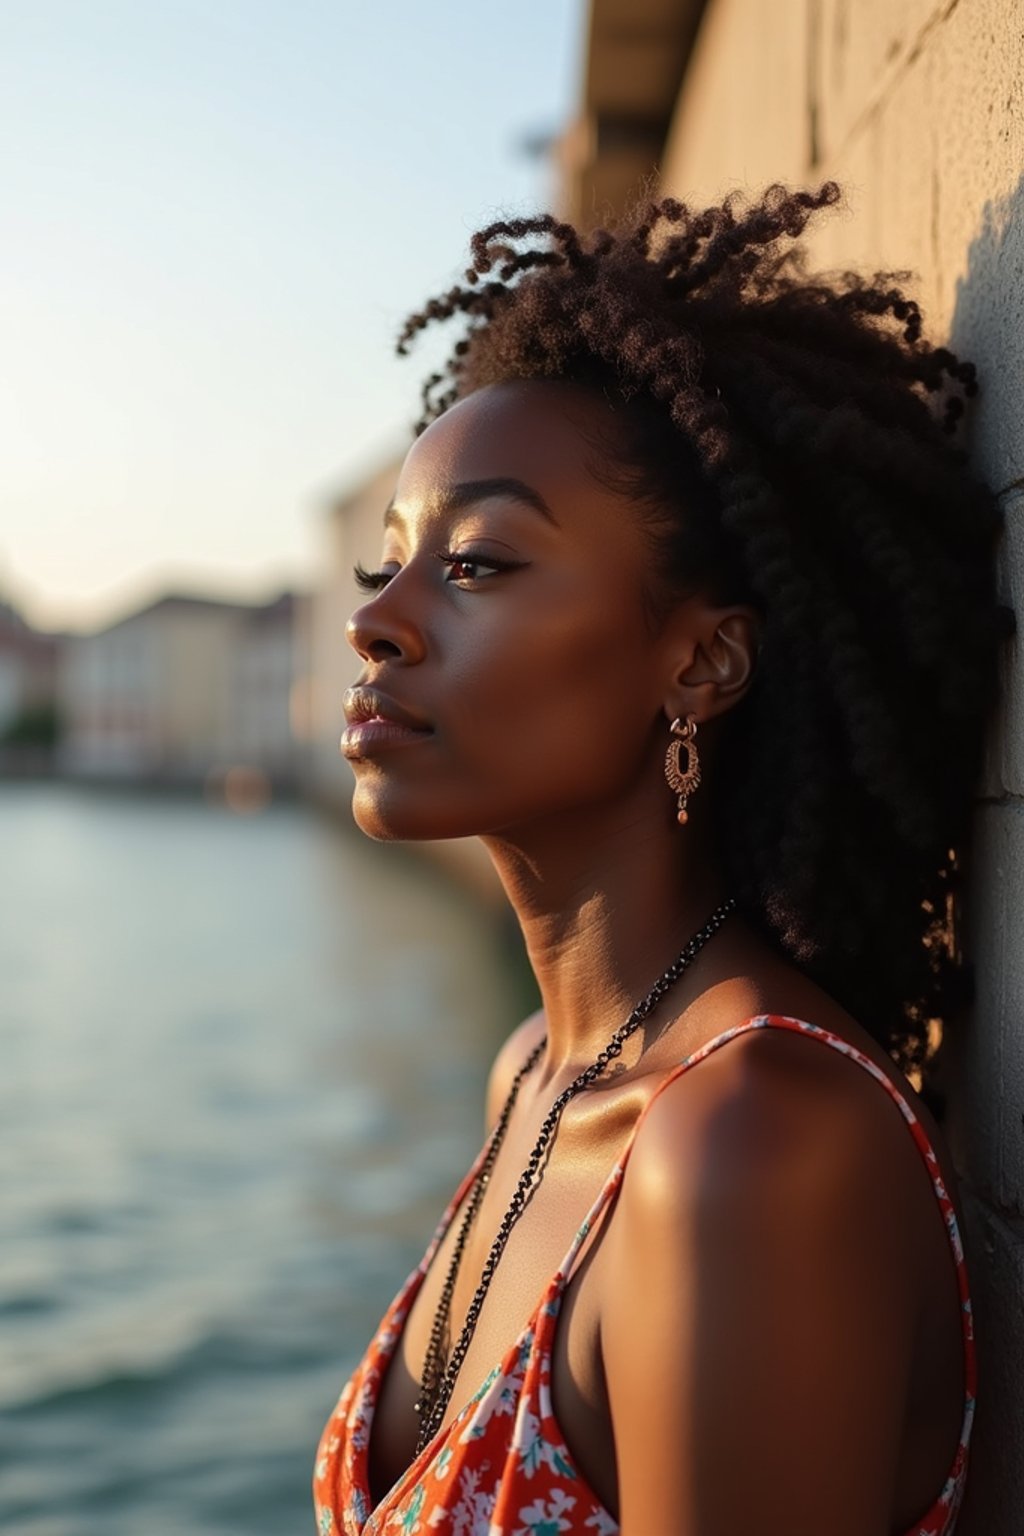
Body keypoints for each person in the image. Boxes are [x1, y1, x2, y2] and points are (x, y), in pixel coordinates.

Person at [314, 181, 1010, 1536]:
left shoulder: (753, 1145)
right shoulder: (533, 1071)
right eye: (386, 566)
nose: (378, 625)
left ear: (700, 660)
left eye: (479, 567)